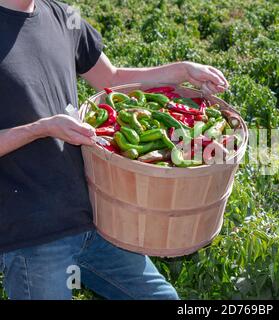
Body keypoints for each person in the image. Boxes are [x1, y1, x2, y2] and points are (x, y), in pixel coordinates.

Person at [0, 0, 229, 300]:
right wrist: (40, 128)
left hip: (96, 219)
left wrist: (182, 71)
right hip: (34, 235)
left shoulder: (64, 16)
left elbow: (112, 79)